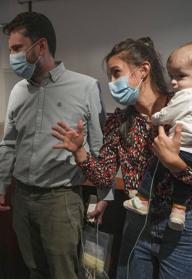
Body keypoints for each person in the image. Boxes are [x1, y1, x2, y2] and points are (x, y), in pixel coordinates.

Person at [52, 37, 192, 279]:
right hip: (137, 222)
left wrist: (177, 165)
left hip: (184, 226)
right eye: (109, 76)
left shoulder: (189, 105)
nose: (111, 83)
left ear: (143, 70)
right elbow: (104, 176)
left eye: (116, 73)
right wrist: (80, 152)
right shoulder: (119, 121)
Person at [0, 12, 112, 279]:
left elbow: (100, 146)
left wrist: (105, 196)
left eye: (17, 48)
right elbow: (8, 145)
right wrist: (2, 186)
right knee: (34, 270)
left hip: (60, 199)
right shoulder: (18, 91)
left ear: (41, 46)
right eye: (9, 50)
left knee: (65, 273)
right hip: (22, 198)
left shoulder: (85, 87)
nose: (11, 56)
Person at [124, 41, 192, 231]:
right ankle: (179, 210)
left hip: (191, 224)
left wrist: (175, 164)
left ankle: (143, 198)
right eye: (172, 76)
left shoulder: (182, 97)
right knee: (178, 184)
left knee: (155, 168)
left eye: (180, 76)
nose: (174, 81)